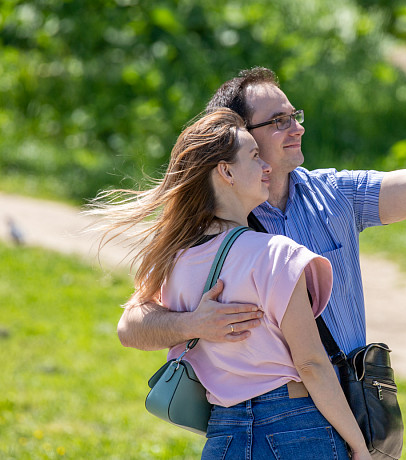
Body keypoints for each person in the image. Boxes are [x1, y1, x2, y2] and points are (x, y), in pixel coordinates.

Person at [117, 60, 406, 357]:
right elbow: (132, 325)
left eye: (294, 117)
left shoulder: (335, 193)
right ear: (240, 137)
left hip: (348, 406)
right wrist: (192, 324)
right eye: (278, 122)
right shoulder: (209, 221)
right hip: (269, 423)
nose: (296, 128)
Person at [89, 109, 371, 459]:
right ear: (226, 172)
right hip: (297, 427)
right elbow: (312, 365)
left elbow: (130, 328)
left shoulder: (174, 261)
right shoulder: (276, 254)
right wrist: (358, 444)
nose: (267, 166)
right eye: (255, 157)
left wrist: (193, 324)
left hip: (224, 432)